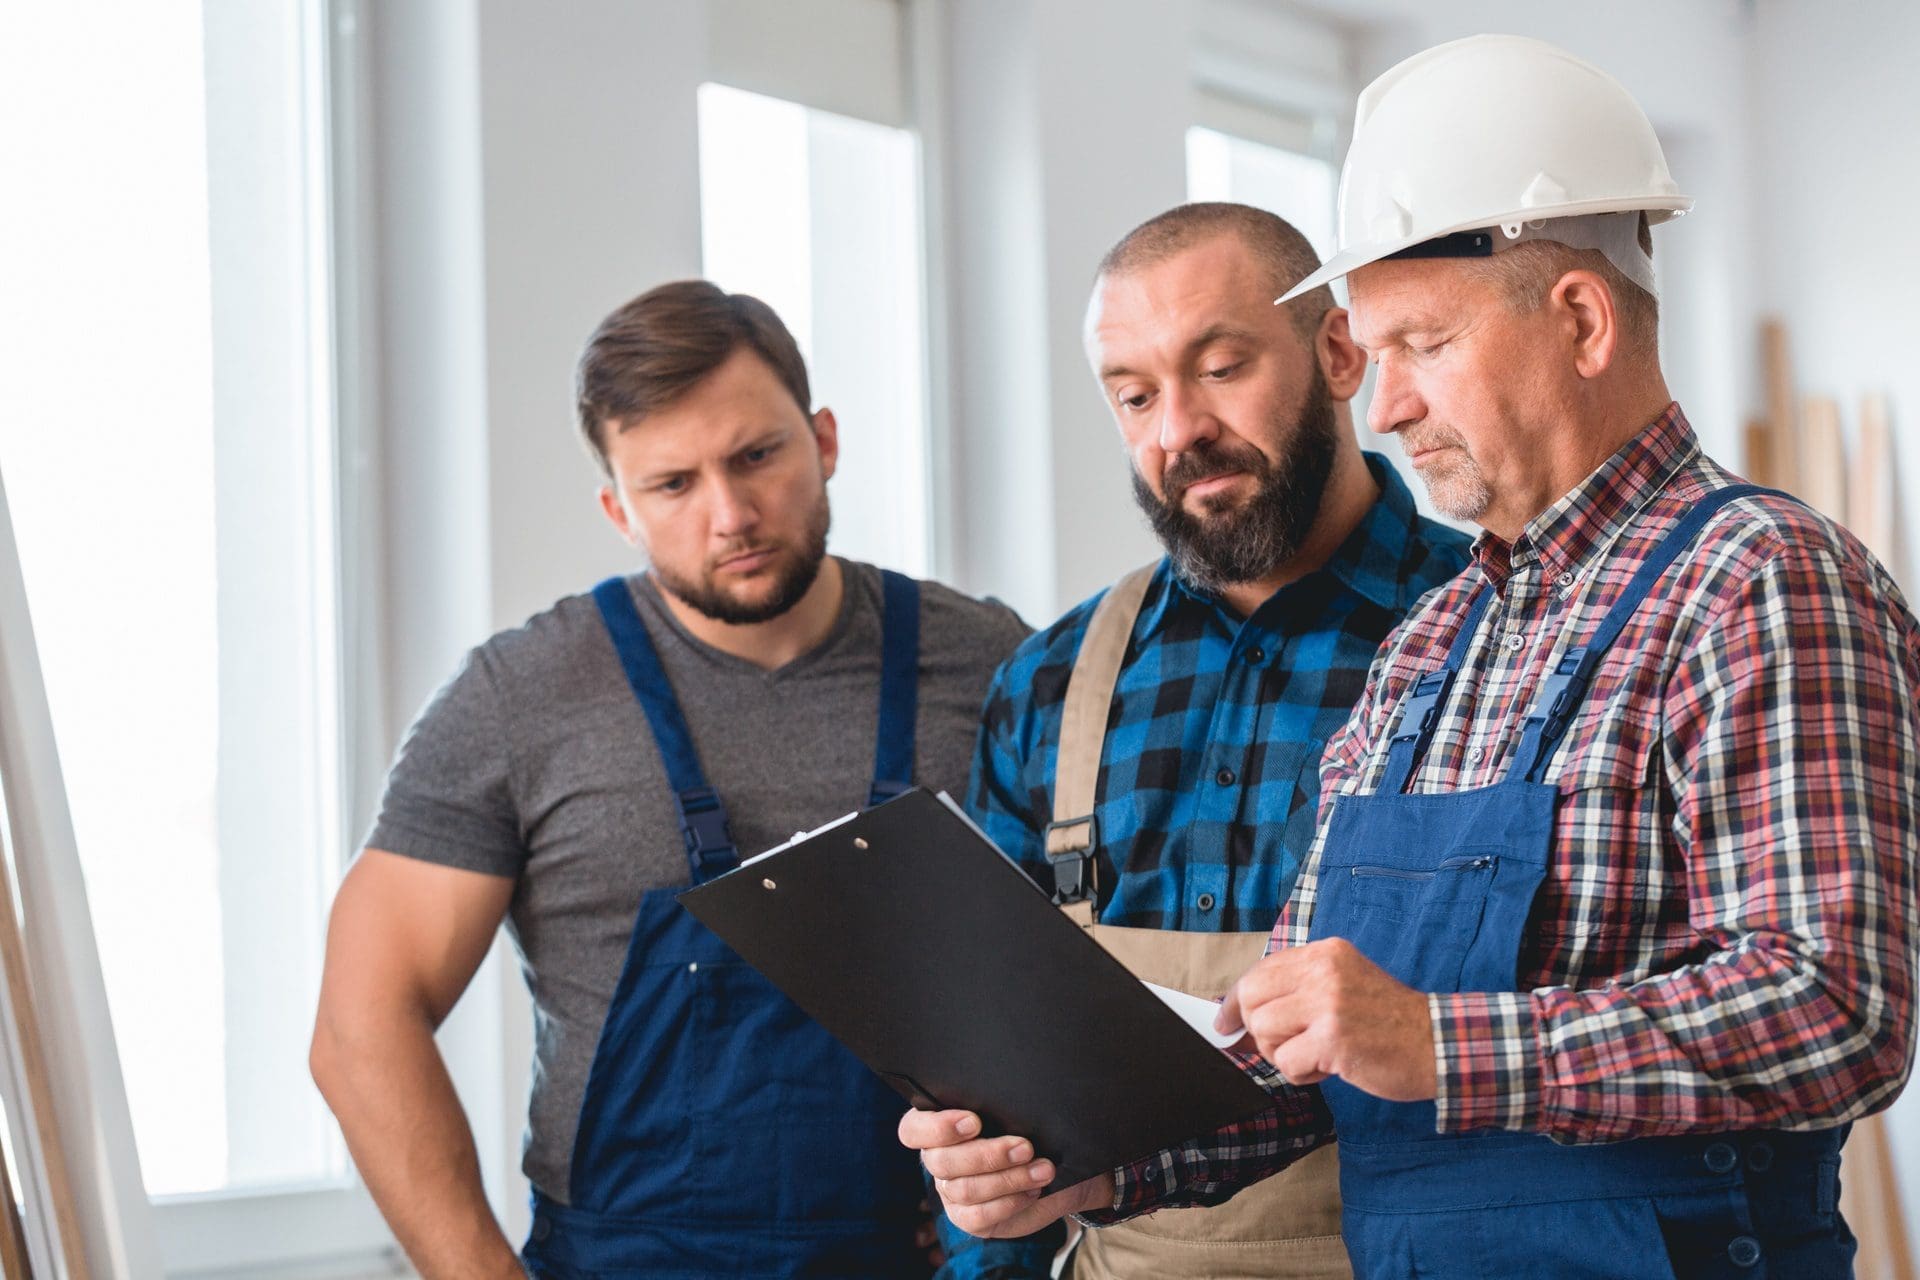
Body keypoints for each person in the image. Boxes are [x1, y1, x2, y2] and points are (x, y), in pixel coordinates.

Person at [905, 34, 1920, 1279]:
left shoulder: (1758, 579)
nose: (1380, 406)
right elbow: (1297, 1046)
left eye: (1421, 345)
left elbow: (1836, 1009)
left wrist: (1444, 1042)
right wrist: (1093, 1162)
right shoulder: (1434, 645)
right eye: (1372, 354)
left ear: (1583, 320)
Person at [310, 280, 1029, 1279]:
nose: (729, 513)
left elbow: (1087, 958)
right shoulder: (520, 697)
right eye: (673, 484)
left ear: (823, 439)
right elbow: (359, 1024)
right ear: (618, 507)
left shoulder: (992, 664)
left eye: (756, 456)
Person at [934, 202, 1468, 1279]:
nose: (1176, 429)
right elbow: (989, 1057)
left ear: (1335, 353)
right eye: (1134, 396)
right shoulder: (1049, 682)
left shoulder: (1497, 623)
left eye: (1221, 368)